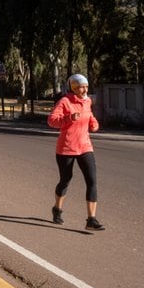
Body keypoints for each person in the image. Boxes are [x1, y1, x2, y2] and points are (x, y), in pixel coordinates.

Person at [47, 73, 105, 231]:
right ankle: (57, 209)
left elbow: (90, 117)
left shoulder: (87, 101)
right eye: (81, 87)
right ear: (73, 88)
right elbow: (51, 120)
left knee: (92, 180)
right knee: (66, 180)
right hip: (66, 148)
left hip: (85, 147)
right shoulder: (65, 101)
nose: (84, 89)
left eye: (86, 86)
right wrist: (68, 119)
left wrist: (94, 124)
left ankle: (91, 219)